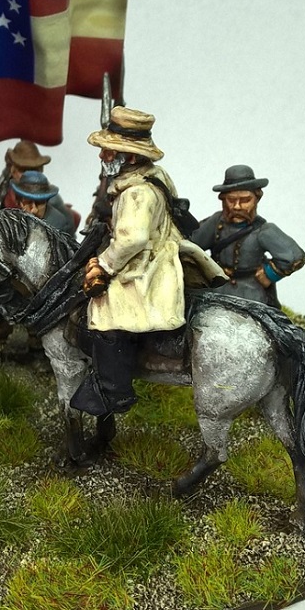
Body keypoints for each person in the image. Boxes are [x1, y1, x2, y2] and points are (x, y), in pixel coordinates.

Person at [69, 106, 186, 416]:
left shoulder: (138, 192)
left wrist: (103, 265)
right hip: (144, 253)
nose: (102, 156)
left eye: (109, 151)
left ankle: (114, 390)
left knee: (105, 310)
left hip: (147, 264)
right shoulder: (144, 177)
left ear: (131, 157)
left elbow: (132, 239)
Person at [0, 170, 78, 358]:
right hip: (12, 278)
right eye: (27, 202)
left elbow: (65, 258)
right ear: (19, 201)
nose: (32, 210)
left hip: (43, 282)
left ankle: (37, 348)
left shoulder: (58, 223)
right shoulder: (8, 219)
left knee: (43, 316)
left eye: (38, 204)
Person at [190, 165, 305, 309]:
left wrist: (270, 273)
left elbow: (295, 256)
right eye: (231, 200)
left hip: (251, 295)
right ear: (223, 200)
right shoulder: (215, 222)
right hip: (215, 290)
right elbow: (191, 243)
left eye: (245, 200)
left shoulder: (264, 231)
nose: (237, 207)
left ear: (256, 199)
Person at [0, 139, 77, 232]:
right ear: (13, 171)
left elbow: (67, 227)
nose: (28, 174)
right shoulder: (5, 192)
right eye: (23, 170)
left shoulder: (52, 200)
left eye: (34, 169)